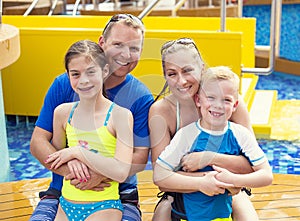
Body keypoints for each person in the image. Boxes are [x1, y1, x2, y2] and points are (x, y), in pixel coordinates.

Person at [30, 14, 154, 221]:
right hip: (63, 191)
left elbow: (140, 157)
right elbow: (38, 142)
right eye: (118, 44)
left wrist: (99, 174)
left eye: (134, 48)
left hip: (118, 195)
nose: (126, 54)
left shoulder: (140, 97)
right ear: (102, 43)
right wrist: (73, 171)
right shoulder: (64, 85)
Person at [149, 38, 260, 221]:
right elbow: (161, 178)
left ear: (201, 67)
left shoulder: (228, 102)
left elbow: (252, 167)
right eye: (172, 74)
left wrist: (208, 159)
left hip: (230, 189)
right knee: (161, 215)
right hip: (179, 192)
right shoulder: (162, 111)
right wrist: (202, 181)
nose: (181, 81)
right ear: (165, 76)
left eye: (187, 71)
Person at [44, 39, 133, 220]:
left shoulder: (120, 116)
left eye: (91, 72)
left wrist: (77, 152)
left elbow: (121, 172)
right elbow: (56, 158)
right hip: (66, 204)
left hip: (104, 206)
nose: (83, 80)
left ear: (105, 71)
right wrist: (70, 160)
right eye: (75, 74)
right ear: (68, 76)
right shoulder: (62, 113)